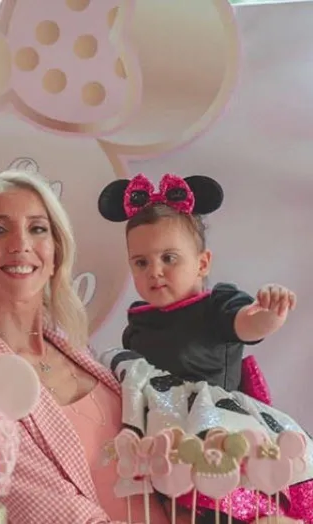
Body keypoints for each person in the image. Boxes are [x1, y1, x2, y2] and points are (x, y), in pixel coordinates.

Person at [0, 169, 181, 523]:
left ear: (54, 256)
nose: (20, 244)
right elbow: (55, 515)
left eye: (37, 229)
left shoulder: (76, 349)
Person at [96, 173, 313, 523]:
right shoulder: (138, 324)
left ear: (202, 263)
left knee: (230, 505)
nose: (155, 271)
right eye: (141, 262)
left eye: (169, 258)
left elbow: (248, 324)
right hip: (165, 444)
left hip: (218, 433)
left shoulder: (217, 305)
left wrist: (269, 313)